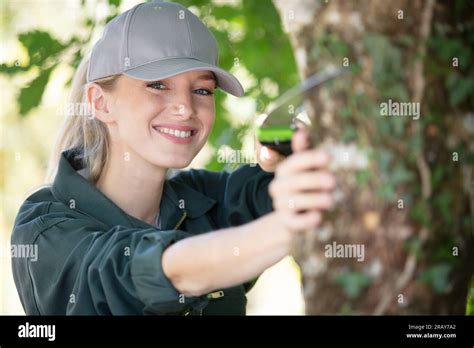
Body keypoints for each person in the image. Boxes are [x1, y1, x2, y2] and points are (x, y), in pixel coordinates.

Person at [11, 1, 335, 315]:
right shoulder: (46, 226)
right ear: (100, 102)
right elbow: (147, 272)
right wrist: (285, 228)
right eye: (158, 85)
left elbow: (333, 190)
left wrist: (293, 154)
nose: (185, 107)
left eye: (202, 90)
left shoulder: (207, 200)